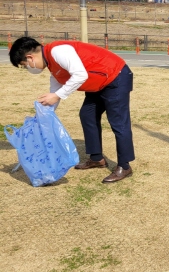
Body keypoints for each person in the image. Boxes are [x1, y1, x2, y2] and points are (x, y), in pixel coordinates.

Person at [9, 37, 135, 183]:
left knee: (118, 123)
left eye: (25, 65)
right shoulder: (52, 64)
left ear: (30, 57)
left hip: (115, 76)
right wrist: (45, 112)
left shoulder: (58, 51)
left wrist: (56, 96)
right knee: (87, 115)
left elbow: (80, 75)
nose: (28, 68)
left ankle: (124, 166)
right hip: (97, 83)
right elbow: (55, 91)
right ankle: (96, 158)